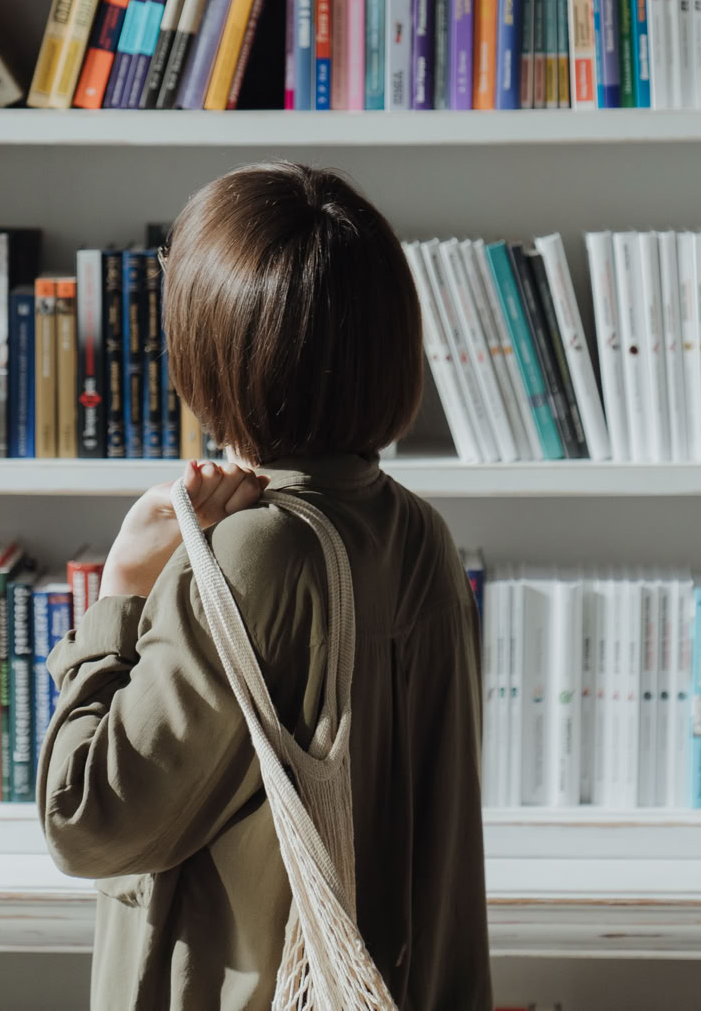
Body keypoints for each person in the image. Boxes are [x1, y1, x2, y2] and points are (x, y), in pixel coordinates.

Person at [39, 162, 491, 1010]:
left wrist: (121, 590)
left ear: (214, 345)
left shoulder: (248, 555)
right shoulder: (419, 532)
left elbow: (87, 823)